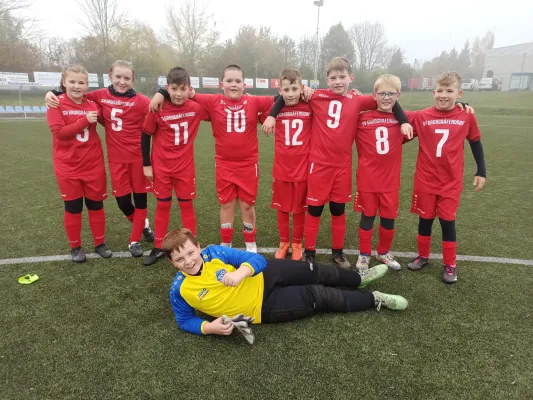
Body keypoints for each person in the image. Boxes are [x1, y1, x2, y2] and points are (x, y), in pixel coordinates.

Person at [263, 57, 412, 268]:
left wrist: (404, 120)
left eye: (342, 77)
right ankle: (310, 251)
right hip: (318, 165)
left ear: (351, 78)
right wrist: (271, 115)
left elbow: (388, 101)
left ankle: (338, 252)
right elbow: (284, 95)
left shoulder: (358, 100)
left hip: (342, 167)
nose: (338, 81)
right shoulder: (316, 95)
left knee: (338, 210)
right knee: (314, 209)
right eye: (333, 77)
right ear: (326, 80)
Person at [150, 65, 308, 252]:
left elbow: (282, 97)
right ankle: (226, 242)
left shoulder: (254, 101)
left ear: (244, 84)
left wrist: (297, 96)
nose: (234, 85)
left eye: (238, 81)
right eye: (230, 81)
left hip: (248, 165)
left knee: (247, 205)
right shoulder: (213, 100)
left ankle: (250, 242)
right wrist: (160, 93)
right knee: (226, 205)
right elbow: (183, 92)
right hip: (224, 164)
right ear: (221, 83)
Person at [165, 228, 408, 337]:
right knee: (318, 296)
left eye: (190, 253)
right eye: (179, 259)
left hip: (264, 274)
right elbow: (184, 320)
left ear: (198, 247)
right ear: (172, 263)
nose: (188, 261)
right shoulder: (179, 290)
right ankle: (374, 299)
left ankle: (358, 279)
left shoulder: (214, 253)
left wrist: (241, 273)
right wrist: (210, 328)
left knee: (314, 270)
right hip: (261, 306)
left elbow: (255, 259)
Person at [45, 60, 154, 258]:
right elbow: (73, 93)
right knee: (122, 203)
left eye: (126, 78)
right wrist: (52, 92)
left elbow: (158, 107)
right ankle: (143, 224)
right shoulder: (98, 97)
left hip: (135, 159)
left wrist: (165, 94)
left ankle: (134, 237)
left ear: (133, 80)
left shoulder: (138, 100)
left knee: (137, 201)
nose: (122, 81)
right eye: (118, 77)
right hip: (112, 160)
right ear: (109, 77)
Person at [406, 72, 486, 283]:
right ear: (433, 93)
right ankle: (423, 257)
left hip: (450, 183)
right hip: (425, 180)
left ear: (459, 93)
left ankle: (450, 264)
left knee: (447, 222)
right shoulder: (422, 115)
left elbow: (475, 141)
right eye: (440, 91)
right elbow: (393, 113)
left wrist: (481, 171)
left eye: (449, 91)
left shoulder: (466, 115)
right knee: (425, 220)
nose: (444, 95)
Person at [140, 67, 209, 266]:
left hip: (185, 168)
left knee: (187, 206)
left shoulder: (197, 108)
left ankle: (193, 247)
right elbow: (145, 134)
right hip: (161, 167)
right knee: (163, 205)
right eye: (173, 88)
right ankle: (158, 246)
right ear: (167, 88)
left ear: (190, 89)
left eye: (183, 88)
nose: (178, 94)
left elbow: (216, 106)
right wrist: (147, 164)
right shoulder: (157, 108)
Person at [46, 65, 112, 262]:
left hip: (93, 165)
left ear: (87, 85)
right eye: (72, 82)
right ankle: (75, 247)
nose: (76, 86)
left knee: (96, 205)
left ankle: (100, 243)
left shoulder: (92, 104)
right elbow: (60, 134)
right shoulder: (56, 104)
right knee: (73, 207)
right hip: (68, 167)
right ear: (63, 83)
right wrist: (84, 120)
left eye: (81, 82)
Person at [261, 68, 312, 261]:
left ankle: (297, 243)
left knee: (299, 210)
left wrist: (306, 88)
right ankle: (284, 243)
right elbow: (254, 107)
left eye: (294, 88)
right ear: (279, 90)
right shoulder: (274, 108)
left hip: (302, 170)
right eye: (286, 89)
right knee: (282, 209)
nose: (290, 94)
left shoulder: (310, 105)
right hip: (281, 169)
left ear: (300, 88)